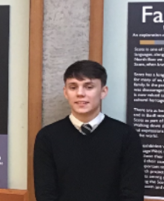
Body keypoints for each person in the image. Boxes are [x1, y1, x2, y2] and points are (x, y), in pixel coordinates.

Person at [34, 60, 144, 201]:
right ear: (65, 92)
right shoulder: (47, 137)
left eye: (89, 87)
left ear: (103, 91)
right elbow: (45, 194)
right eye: (73, 87)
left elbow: (132, 194)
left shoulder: (126, 136)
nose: (80, 93)